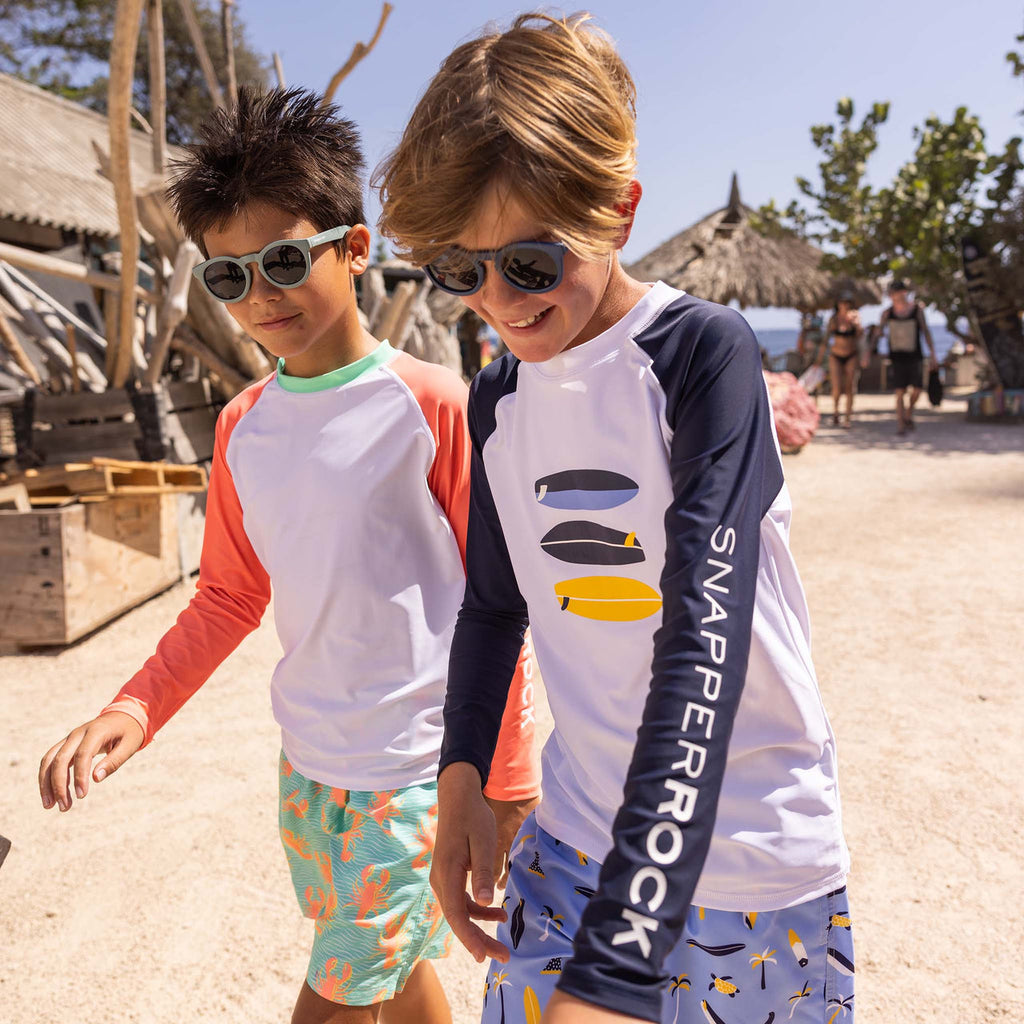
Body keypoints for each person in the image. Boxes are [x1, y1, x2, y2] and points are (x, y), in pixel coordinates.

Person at [376, 13, 853, 1024]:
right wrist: (462, 770)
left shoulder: (699, 356)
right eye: (460, 270)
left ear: (619, 211)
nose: (498, 300)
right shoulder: (498, 399)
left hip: (744, 859)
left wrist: (624, 954)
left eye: (531, 263)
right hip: (574, 840)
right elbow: (495, 607)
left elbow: (703, 640)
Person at [37, 87, 539, 1024]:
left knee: (340, 991)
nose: (257, 296)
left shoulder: (434, 406)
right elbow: (228, 596)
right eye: (227, 278)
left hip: (416, 772)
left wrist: (505, 779)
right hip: (309, 766)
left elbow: (497, 605)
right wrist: (135, 705)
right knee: (390, 970)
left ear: (353, 248)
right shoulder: (241, 429)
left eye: (280, 261)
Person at [870, 279, 938, 435]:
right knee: (899, 391)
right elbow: (877, 334)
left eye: (895, 292)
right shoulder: (887, 313)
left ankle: (908, 413)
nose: (893, 296)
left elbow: (926, 332)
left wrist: (933, 354)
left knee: (917, 389)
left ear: (904, 292)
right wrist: (869, 352)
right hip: (896, 356)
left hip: (915, 355)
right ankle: (901, 425)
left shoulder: (916, 310)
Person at [818, 292, 863, 428]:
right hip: (836, 355)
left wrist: (856, 324)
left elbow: (861, 336)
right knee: (836, 387)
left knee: (850, 387)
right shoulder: (834, 319)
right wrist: (818, 360)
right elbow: (826, 340)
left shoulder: (855, 317)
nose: (844, 305)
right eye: (842, 302)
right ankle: (836, 411)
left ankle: (848, 417)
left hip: (851, 354)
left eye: (846, 303)